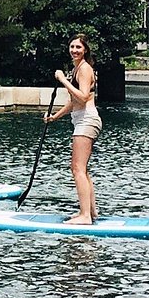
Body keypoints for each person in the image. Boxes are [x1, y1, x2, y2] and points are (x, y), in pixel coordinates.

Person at [46, 33, 102, 224]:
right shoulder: (76, 68)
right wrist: (55, 116)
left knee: (77, 168)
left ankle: (85, 216)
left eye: (78, 47)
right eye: (72, 47)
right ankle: (91, 212)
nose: (74, 50)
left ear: (85, 49)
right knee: (82, 170)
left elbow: (84, 97)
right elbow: (73, 101)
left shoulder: (85, 69)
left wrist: (63, 80)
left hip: (87, 120)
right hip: (81, 120)